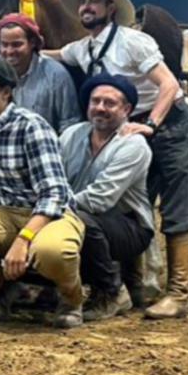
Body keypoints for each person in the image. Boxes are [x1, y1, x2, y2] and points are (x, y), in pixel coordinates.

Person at [51, 0, 188, 319]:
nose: (86, 7)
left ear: (111, 8)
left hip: (170, 124)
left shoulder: (134, 41)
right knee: (128, 204)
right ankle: (134, 287)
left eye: (94, 1)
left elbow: (169, 84)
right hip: (132, 125)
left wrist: (151, 125)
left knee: (177, 207)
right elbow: (55, 54)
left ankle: (179, 293)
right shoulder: (82, 48)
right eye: (83, 1)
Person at [0, 57, 86, 328]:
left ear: (6, 92)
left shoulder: (31, 126)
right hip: (7, 212)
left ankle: (71, 299)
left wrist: (23, 239)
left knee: (52, 252)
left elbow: (54, 194)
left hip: (51, 214)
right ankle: (0, 290)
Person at [60, 73, 154, 321]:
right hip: (75, 214)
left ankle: (112, 292)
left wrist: (53, 206)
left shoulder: (133, 145)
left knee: (81, 221)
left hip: (129, 227)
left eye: (110, 103)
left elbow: (100, 200)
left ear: (127, 110)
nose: (100, 107)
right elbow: (54, 176)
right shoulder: (71, 135)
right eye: (95, 101)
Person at [0, 13, 80, 133]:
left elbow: (69, 125)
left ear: (32, 42)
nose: (9, 51)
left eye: (16, 45)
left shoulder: (56, 75)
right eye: (4, 45)